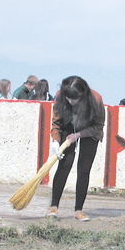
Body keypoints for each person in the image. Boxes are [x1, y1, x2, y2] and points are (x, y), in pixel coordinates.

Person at [46, 76, 105, 222]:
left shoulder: (96, 100)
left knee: (83, 169)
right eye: (68, 97)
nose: (70, 101)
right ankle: (53, 207)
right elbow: (56, 121)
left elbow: (98, 126)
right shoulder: (61, 96)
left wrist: (78, 135)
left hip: (90, 131)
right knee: (64, 164)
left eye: (74, 98)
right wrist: (55, 141)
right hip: (68, 127)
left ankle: (78, 210)